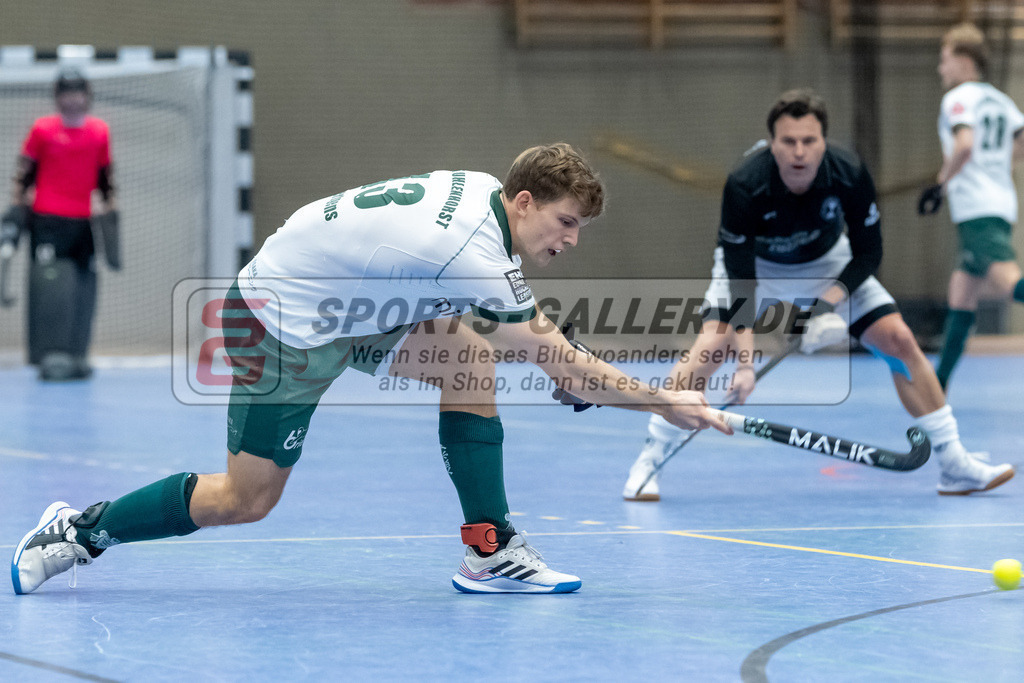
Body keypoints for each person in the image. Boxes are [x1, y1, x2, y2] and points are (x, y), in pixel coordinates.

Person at [11, 143, 731, 596]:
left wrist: (550, 358)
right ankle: (79, 529)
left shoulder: (480, 193)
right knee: (246, 497)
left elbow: (451, 294)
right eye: (566, 221)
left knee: (470, 358)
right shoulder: (477, 251)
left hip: (345, 309)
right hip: (278, 321)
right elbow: (563, 365)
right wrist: (666, 401)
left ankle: (489, 548)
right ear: (524, 202)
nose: (571, 239)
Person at [622, 89, 1015, 501]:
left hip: (828, 262)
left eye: (809, 141)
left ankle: (954, 463)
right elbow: (742, 283)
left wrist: (826, 306)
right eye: (788, 141)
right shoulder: (744, 184)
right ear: (772, 143)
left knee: (898, 339)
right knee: (710, 347)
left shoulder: (848, 173)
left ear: (823, 142)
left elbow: (869, 252)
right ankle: (651, 457)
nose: (799, 152)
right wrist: (745, 366)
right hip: (757, 268)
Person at [918, 23, 1024, 392]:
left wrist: (940, 185)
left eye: (944, 59)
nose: (940, 68)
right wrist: (995, 167)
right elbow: (1020, 145)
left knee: (1010, 284)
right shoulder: (1001, 100)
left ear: (963, 59)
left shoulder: (959, 98)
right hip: (1000, 203)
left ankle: (937, 384)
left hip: (977, 208)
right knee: (961, 295)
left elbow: (963, 145)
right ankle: (938, 384)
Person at [1, 67, 119, 381]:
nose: (72, 100)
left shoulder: (99, 132)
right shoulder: (42, 130)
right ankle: (48, 355)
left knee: (84, 288)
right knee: (51, 289)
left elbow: (106, 180)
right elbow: (23, 176)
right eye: (66, 93)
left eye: (77, 93)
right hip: (47, 222)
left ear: (87, 96)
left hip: (83, 224)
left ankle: (77, 353)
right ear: (58, 98)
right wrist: (15, 213)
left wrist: (111, 216)